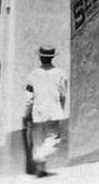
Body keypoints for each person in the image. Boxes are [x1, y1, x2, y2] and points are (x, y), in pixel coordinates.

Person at [24, 46, 67, 177]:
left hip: (37, 110)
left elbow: (29, 96)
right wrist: (62, 108)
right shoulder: (60, 73)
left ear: (40, 57)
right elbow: (63, 94)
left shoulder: (33, 74)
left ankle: (40, 170)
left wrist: (27, 113)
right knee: (53, 138)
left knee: (38, 140)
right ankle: (41, 159)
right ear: (52, 57)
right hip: (53, 109)